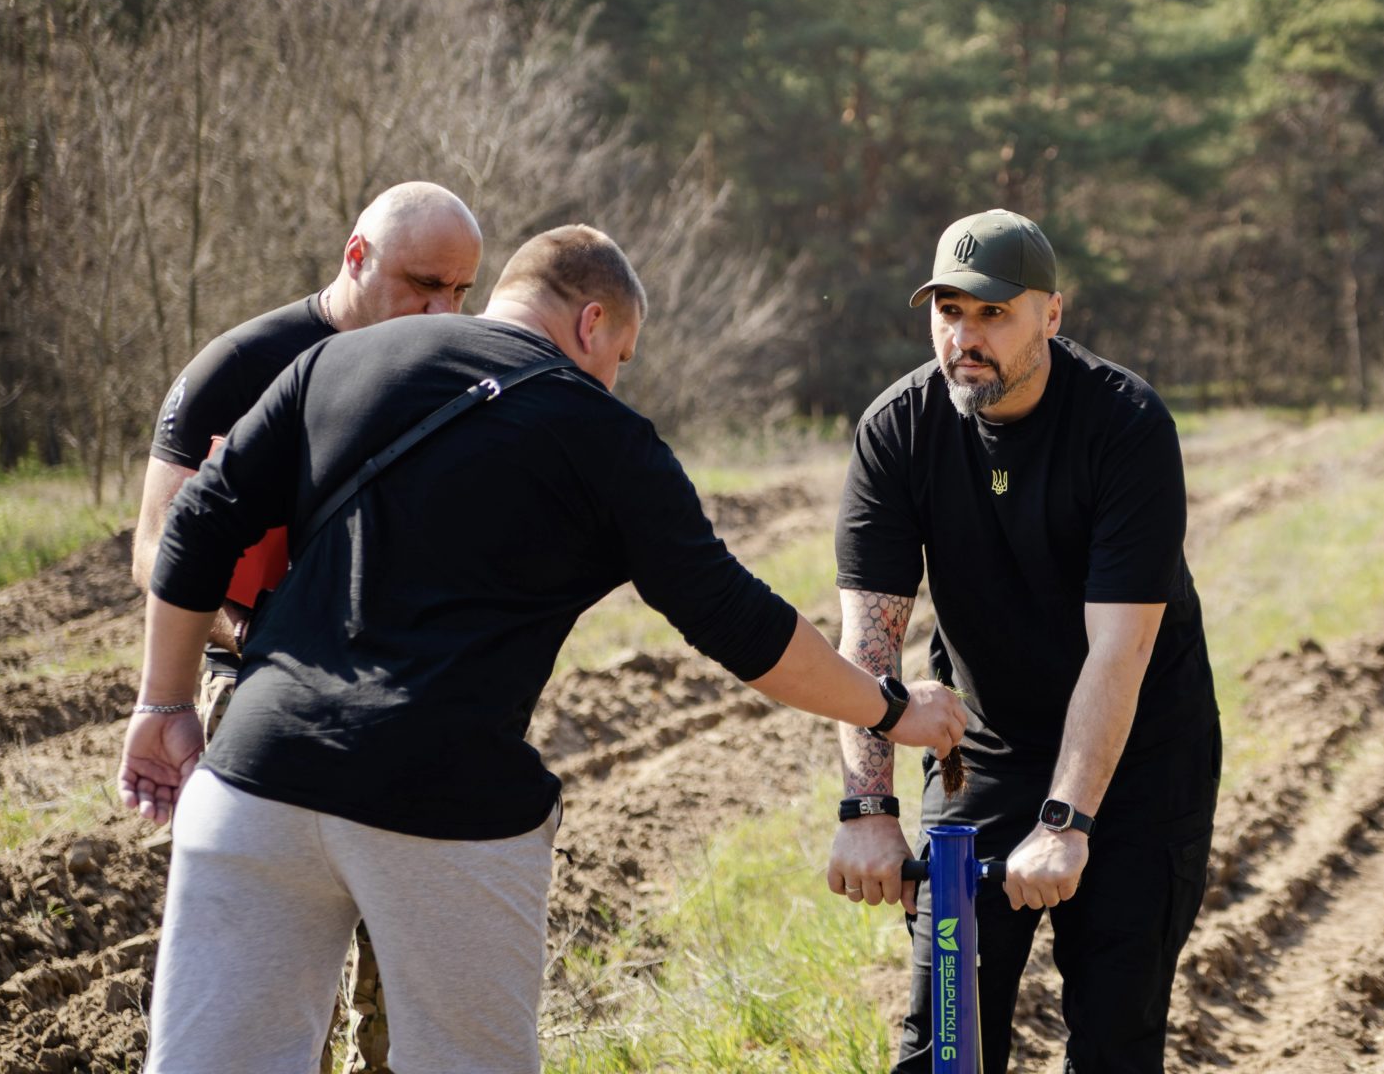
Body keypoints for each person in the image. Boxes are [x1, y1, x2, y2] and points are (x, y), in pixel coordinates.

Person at [118, 225, 968, 1074]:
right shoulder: (605, 438)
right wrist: (891, 710)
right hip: (444, 809)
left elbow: (195, 523)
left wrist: (163, 705)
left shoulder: (336, 362)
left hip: (252, 778)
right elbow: (737, 622)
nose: (614, 375)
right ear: (592, 322)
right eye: (623, 355)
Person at [827, 210, 1220, 1073]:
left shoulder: (1125, 426)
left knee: (1116, 1040)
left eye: (993, 314)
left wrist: (1068, 820)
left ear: (1052, 314)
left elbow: (1118, 652)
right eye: (948, 312)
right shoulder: (899, 428)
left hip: (1142, 757)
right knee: (944, 1044)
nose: (965, 337)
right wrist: (868, 808)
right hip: (987, 751)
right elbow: (869, 645)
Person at [130, 180, 483, 1074]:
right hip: (258, 686)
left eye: (460, 293)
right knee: (268, 983)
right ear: (355, 257)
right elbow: (155, 552)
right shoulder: (242, 367)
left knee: (412, 982)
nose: (441, 310)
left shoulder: (455, 370)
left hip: (411, 694)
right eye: (421, 284)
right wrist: (262, 640)